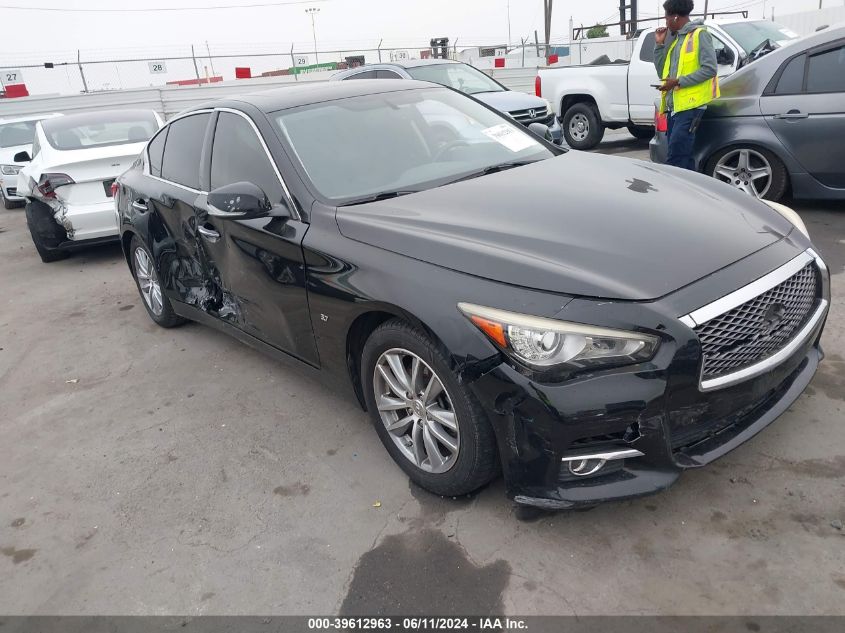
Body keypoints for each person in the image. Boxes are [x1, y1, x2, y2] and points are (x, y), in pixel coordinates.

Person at [654, 0, 719, 170]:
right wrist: (659, 45)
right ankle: (687, 192)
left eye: (667, 18)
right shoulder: (676, 42)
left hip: (690, 106)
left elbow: (710, 69)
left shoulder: (700, 35)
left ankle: (674, 193)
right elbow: (663, 73)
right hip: (675, 107)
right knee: (681, 155)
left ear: (675, 17)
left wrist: (678, 82)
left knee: (677, 157)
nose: (666, 22)